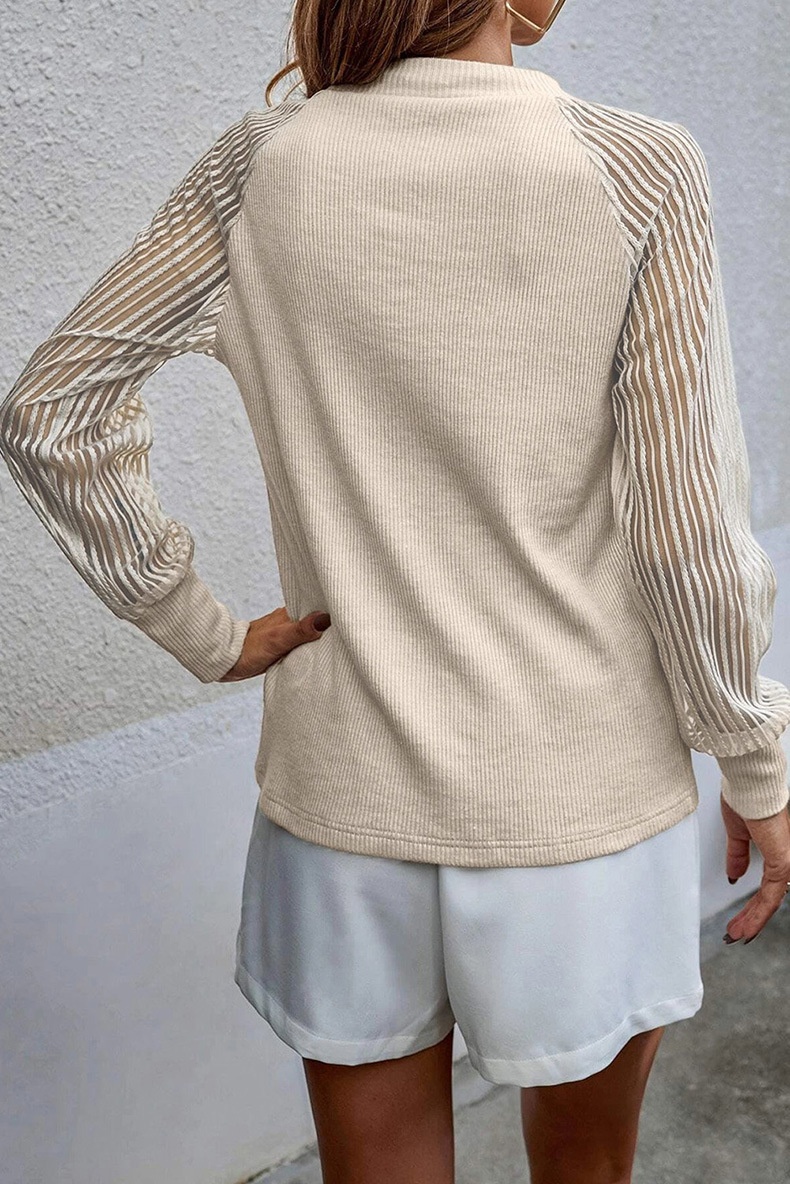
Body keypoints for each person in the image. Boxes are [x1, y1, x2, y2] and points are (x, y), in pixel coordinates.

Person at [2, 1, 790, 1181]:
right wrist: (754, 756)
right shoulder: (638, 169)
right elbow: (686, 534)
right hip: (576, 808)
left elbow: (51, 410)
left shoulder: (260, 165)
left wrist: (203, 631)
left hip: (343, 807)